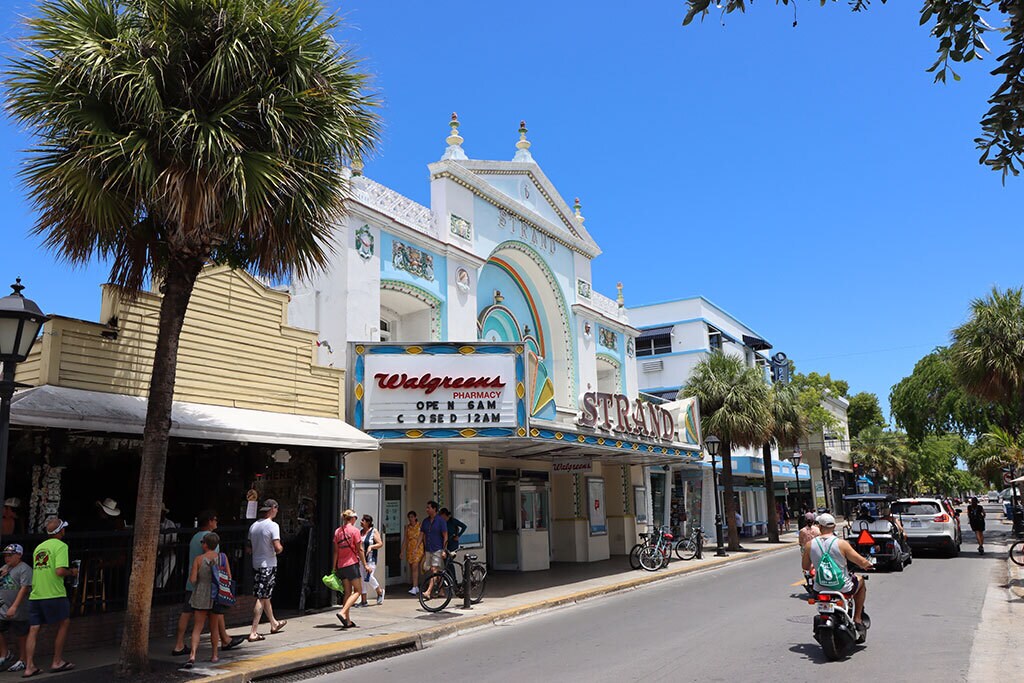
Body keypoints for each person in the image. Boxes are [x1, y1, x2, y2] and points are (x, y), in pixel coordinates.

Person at [173, 511, 243, 655]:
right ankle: (222, 642)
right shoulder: (210, 540)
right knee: (216, 614)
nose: (216, 522)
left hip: (191, 583)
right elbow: (215, 565)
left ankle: (179, 644)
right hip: (207, 586)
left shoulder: (194, 538)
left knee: (186, 613)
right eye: (215, 520)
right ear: (209, 521)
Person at [802, 514, 874, 639]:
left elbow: (805, 566)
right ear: (834, 526)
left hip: (820, 588)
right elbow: (861, 562)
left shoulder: (810, 545)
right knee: (861, 581)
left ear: (819, 527)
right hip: (842, 587)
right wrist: (868, 564)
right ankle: (857, 618)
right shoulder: (841, 544)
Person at [23, 517, 78, 677]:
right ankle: (57, 661)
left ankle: (29, 666)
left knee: (33, 629)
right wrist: (72, 572)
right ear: (60, 531)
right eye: (63, 528)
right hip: (54, 593)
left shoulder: (39, 548)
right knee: (64, 623)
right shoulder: (61, 546)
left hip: (36, 593)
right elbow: (59, 571)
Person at [184, 533, 231, 668]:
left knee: (197, 627)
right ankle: (215, 654)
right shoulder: (222, 558)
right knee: (214, 627)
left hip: (201, 594)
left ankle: (192, 655)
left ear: (205, 544)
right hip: (216, 595)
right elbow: (228, 576)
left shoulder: (199, 559)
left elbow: (192, 580)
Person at [248, 499, 285, 641]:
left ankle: (274, 623)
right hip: (268, 564)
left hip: (256, 564)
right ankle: (253, 631)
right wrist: (280, 549)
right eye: (276, 508)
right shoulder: (273, 526)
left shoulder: (253, 526)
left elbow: (248, 548)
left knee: (265, 595)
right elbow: (277, 547)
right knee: (262, 597)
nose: (277, 511)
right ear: (273, 509)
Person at [0, 544, 32, 672]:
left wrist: (14, 606)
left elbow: (24, 588)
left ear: (19, 555)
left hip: (19, 608)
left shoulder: (24, 569)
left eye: (10, 555)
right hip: (3, 606)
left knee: (21, 633)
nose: (7, 558)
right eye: (5, 556)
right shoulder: (4, 568)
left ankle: (23, 659)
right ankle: (4, 653)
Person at [333, 510, 366, 628]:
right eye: (355, 518)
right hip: (351, 564)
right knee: (358, 591)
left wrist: (334, 567)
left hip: (341, 565)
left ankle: (347, 620)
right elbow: (360, 549)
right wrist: (365, 565)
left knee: (347, 592)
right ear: (352, 519)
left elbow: (336, 552)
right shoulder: (355, 531)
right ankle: (342, 612)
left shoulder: (338, 531)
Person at [355, 515, 384, 607]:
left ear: (368, 522)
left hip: (371, 559)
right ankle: (364, 600)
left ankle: (379, 591)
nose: (361, 522)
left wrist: (371, 546)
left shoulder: (373, 531)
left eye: (363, 520)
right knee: (363, 580)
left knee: (369, 576)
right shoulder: (360, 532)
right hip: (361, 559)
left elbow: (380, 543)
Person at [420, 502, 447, 596]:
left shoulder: (440, 521)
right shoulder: (425, 521)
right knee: (436, 570)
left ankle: (428, 591)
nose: (427, 509)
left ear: (434, 509)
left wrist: (444, 549)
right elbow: (422, 534)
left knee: (434, 569)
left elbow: (445, 536)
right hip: (429, 548)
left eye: (429, 508)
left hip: (437, 549)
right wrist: (418, 546)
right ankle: (441, 591)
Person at [403, 511, 424, 595]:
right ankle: (415, 586)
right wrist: (402, 551)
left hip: (418, 547)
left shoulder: (420, 525)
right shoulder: (407, 527)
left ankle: (415, 586)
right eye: (409, 517)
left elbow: (422, 536)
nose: (410, 519)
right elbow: (405, 539)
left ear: (415, 517)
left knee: (415, 566)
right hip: (410, 548)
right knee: (412, 567)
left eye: (412, 517)